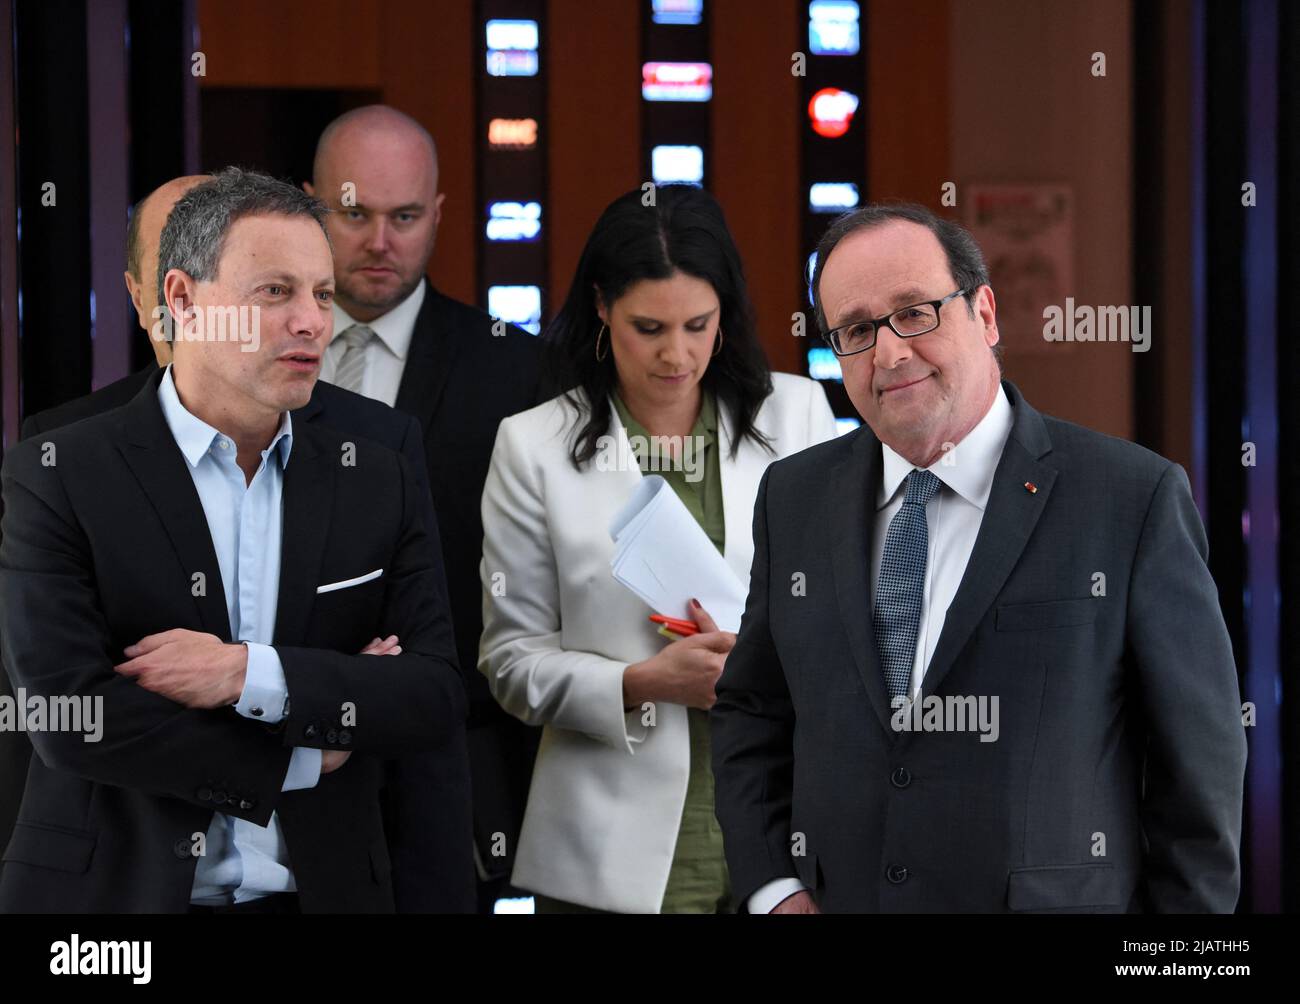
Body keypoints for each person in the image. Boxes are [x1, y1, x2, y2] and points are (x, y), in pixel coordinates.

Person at [711, 202, 1247, 914]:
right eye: (858, 330)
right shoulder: (794, 497)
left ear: (986, 314)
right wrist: (774, 886)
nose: (890, 352)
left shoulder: (1130, 498)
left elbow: (1200, 774)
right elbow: (753, 708)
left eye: (916, 312)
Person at [0, 168, 466, 912]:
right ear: (182, 301)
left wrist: (247, 675)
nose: (314, 322)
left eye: (320, 293)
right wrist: (310, 748)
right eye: (274, 293)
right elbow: (70, 718)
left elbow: (431, 695)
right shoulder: (59, 471)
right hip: (120, 910)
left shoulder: (376, 473)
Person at [477, 184, 839, 914]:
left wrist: (764, 663)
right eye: (649, 327)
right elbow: (510, 663)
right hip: (606, 849)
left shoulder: (797, 413)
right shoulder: (533, 445)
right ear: (603, 307)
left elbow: (853, 614)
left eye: (698, 325)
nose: (678, 355)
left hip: (785, 831)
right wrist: (643, 683)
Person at [305, 105, 544, 911]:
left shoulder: (516, 372)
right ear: (312, 207)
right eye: (354, 214)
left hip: (456, 765)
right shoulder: (250, 360)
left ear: (439, 214)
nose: (380, 241)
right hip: (277, 746)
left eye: (405, 216)